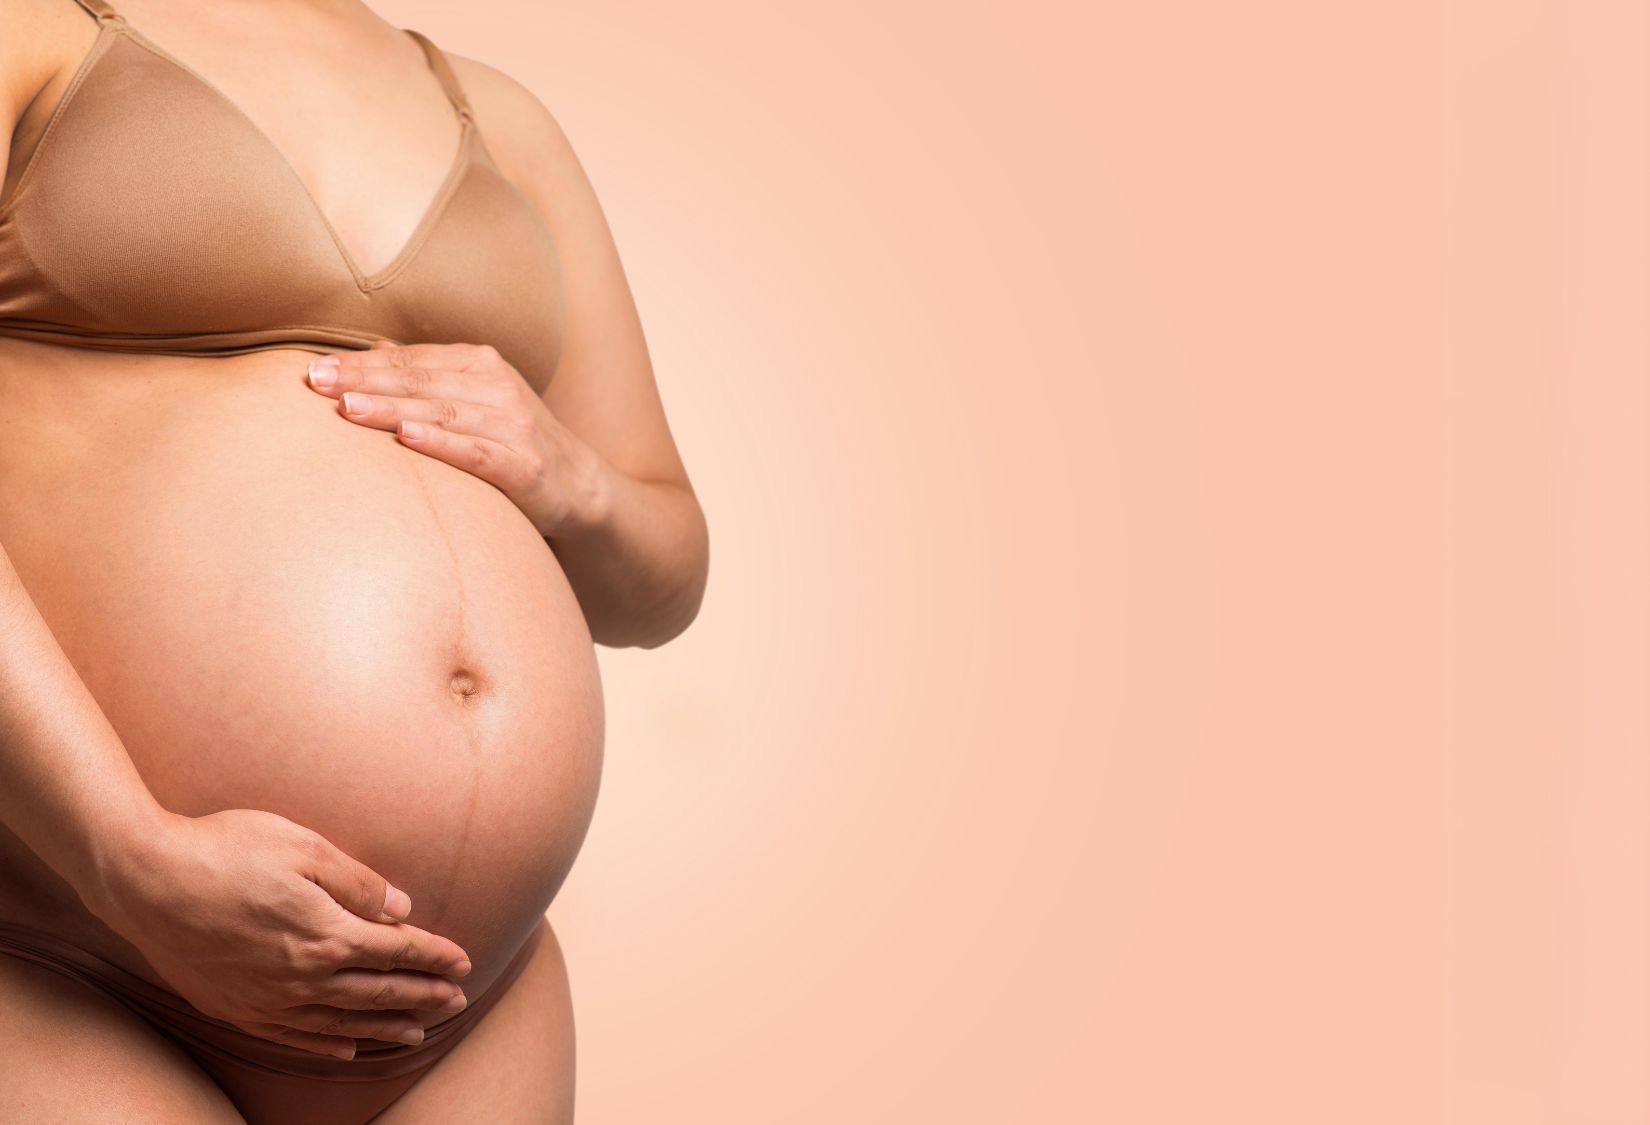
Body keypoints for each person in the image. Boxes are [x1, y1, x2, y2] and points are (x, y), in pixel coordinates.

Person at [0, 0, 709, 1120]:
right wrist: (125, 858)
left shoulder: (503, 117)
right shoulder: (29, 36)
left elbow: (662, 582)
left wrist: (568, 476)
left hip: (468, 1000)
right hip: (73, 948)